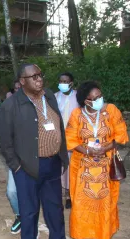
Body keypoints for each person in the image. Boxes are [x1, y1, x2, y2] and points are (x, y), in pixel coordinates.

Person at [0, 64, 80, 239]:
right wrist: (16, 167)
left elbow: (58, 125)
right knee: (29, 210)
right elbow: (6, 142)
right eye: (33, 76)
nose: (39, 79)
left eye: (40, 75)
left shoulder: (49, 96)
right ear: (22, 81)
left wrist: (60, 156)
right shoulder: (10, 106)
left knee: (55, 206)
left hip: (52, 163)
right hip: (27, 167)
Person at [65, 81, 129, 239]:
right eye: (95, 98)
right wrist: (87, 150)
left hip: (107, 164)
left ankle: (103, 232)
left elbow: (121, 135)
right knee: (82, 200)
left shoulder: (111, 110)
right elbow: (70, 139)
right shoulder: (76, 115)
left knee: (105, 200)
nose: (100, 99)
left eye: (100, 96)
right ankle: (83, 231)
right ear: (86, 101)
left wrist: (105, 147)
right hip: (83, 165)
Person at [54, 72, 78, 209]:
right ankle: (61, 196)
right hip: (58, 138)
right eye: (61, 80)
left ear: (71, 83)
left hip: (74, 139)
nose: (62, 83)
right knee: (60, 168)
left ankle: (71, 196)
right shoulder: (55, 97)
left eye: (65, 81)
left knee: (72, 168)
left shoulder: (78, 97)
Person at [6, 80, 21, 235]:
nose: (19, 90)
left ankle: (30, 219)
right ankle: (20, 215)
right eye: (16, 88)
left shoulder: (36, 105)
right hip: (14, 157)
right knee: (11, 191)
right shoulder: (8, 107)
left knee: (30, 191)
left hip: (32, 157)